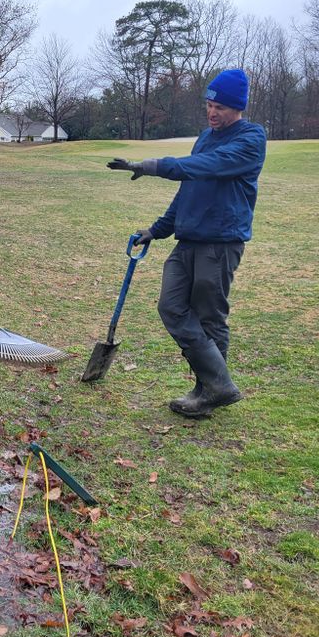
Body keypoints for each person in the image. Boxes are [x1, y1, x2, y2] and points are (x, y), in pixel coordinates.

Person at [106, 69, 266, 418]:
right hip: (189, 240)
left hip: (221, 242)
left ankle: (207, 390)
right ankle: (218, 385)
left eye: (220, 107)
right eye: (209, 105)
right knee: (171, 306)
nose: (212, 113)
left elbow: (206, 166)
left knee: (210, 317)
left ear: (237, 108)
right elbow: (188, 188)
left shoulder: (251, 139)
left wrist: (150, 165)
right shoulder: (205, 137)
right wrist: (156, 229)